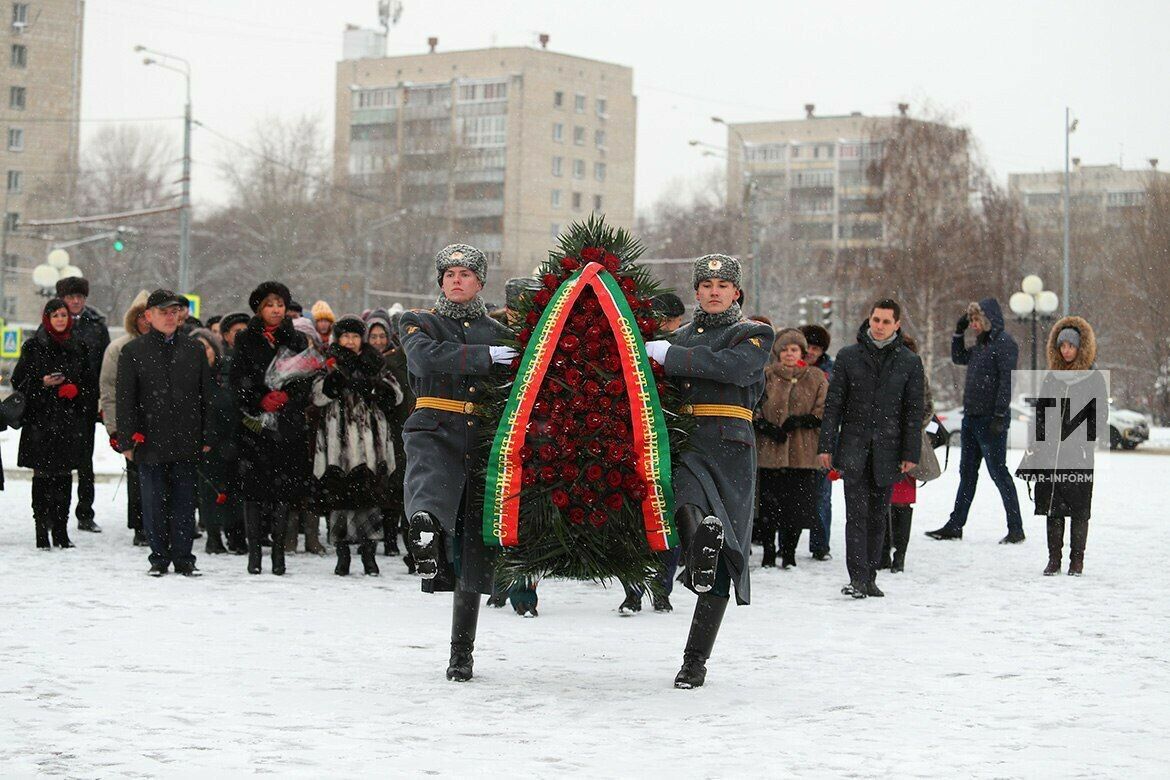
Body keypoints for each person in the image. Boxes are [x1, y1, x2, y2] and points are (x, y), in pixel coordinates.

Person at [643, 253, 774, 688]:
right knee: (687, 499)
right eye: (706, 285)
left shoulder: (753, 334)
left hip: (732, 445)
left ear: (736, 292)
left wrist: (672, 356)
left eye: (723, 285)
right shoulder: (678, 336)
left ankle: (694, 661)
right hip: (686, 439)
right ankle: (700, 540)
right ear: (696, 292)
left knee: (725, 553)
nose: (714, 291)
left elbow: (735, 369)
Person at [400, 243, 516, 682]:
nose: (456, 279)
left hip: (483, 437)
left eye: (465, 274)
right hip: (434, 423)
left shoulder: (500, 331)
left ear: (480, 283)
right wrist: (482, 359)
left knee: (473, 550)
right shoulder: (418, 322)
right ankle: (425, 534)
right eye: (448, 273)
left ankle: (461, 653)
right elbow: (424, 357)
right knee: (429, 485)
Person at [818, 299, 923, 600]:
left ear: (897, 325)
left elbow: (913, 412)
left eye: (886, 321)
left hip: (889, 450)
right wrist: (827, 446)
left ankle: (871, 576)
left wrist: (910, 453)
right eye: (876, 320)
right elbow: (833, 406)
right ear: (870, 320)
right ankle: (857, 578)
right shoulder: (849, 357)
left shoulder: (908, 361)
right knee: (856, 515)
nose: (879, 326)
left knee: (879, 516)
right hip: (854, 447)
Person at [116, 290, 213, 576]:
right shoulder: (133, 352)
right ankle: (159, 558)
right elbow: (125, 399)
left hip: (186, 438)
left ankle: (184, 558)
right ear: (148, 316)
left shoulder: (194, 349)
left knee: (185, 503)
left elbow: (206, 395)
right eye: (163, 312)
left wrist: (207, 435)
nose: (170, 317)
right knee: (154, 502)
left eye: (174, 312)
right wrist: (127, 439)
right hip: (150, 440)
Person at [229, 281, 313, 576]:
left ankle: (278, 554)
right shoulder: (245, 339)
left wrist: (287, 397)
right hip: (255, 427)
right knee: (253, 493)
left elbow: (306, 379)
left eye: (280, 304)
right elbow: (237, 378)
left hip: (286, 427)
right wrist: (259, 398)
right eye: (269, 304)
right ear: (259, 308)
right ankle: (254, 554)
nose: (276, 310)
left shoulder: (297, 340)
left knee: (282, 493)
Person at [310, 316, 404, 576]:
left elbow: (396, 394)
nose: (350, 341)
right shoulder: (329, 362)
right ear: (337, 338)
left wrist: (374, 387)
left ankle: (369, 555)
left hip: (369, 441)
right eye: (345, 336)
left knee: (369, 500)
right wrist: (334, 383)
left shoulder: (375, 361)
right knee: (339, 501)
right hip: (338, 442)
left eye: (354, 336)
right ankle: (342, 556)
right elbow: (316, 395)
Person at [926, 298, 1024, 544]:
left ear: (990, 319)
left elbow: (1006, 382)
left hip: (991, 420)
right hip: (971, 418)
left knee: (998, 473)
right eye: (971, 320)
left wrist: (1000, 415)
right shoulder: (981, 346)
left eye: (977, 320)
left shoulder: (1004, 344)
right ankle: (955, 525)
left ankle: (1016, 529)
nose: (974, 325)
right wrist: (958, 332)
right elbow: (959, 358)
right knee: (967, 474)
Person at [1017, 317, 1107, 576]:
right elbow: (1041, 414)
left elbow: (1100, 415)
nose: (1066, 350)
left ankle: (1076, 560)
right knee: (1052, 507)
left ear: (1081, 347)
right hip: (1050, 453)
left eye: (1071, 345)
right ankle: (1053, 558)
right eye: (1062, 345)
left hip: (1078, 454)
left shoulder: (1093, 378)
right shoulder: (1052, 378)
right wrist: (1038, 441)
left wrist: (1084, 441)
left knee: (1079, 508)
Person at [11, 298, 96, 549]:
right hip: (41, 422)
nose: (59, 319)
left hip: (69, 423)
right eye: (54, 315)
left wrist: (75, 390)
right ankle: (41, 529)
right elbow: (19, 383)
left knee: (64, 478)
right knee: (42, 477)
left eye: (63, 314)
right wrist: (42, 384)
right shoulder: (34, 347)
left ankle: (61, 530)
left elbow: (90, 385)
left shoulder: (78, 347)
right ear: (47, 318)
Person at [754, 327, 828, 569]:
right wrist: (765, 425)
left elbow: (823, 410)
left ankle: (789, 552)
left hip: (802, 454)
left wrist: (801, 421)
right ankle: (768, 550)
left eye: (794, 349)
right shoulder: (765, 375)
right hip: (769, 453)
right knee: (769, 508)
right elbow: (752, 406)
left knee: (795, 508)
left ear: (802, 352)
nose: (788, 354)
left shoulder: (815, 377)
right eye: (784, 349)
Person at [877, 334, 939, 573]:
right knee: (881, 502)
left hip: (905, 446)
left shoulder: (916, 374)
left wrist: (909, 430)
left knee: (901, 503)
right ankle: (882, 552)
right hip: (882, 444)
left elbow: (926, 407)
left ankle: (899, 553)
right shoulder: (880, 372)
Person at [55, 276, 109, 534]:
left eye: (80, 297)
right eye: (70, 297)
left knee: (85, 461)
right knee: (57, 459)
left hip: (86, 401)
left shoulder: (97, 325)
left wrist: (98, 397)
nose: (76, 301)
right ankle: (56, 511)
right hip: (57, 402)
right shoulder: (54, 323)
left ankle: (85, 512)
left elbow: (105, 365)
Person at [99, 290, 151, 546]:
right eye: (140, 316)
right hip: (132, 422)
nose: (145, 321)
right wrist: (114, 429)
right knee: (136, 477)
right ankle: (140, 525)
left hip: (161, 422)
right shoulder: (119, 348)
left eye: (149, 315)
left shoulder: (167, 346)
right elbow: (108, 390)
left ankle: (157, 524)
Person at [189, 328, 246, 555]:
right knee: (209, 493)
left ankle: (236, 536)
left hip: (232, 440)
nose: (203, 353)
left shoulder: (227, 374)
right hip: (204, 444)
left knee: (234, 491)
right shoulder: (187, 379)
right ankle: (214, 537)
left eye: (207, 347)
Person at [364, 308, 414, 563]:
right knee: (394, 488)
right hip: (394, 431)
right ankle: (392, 539)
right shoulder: (391, 362)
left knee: (412, 492)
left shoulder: (426, 359)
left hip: (418, 432)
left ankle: (412, 548)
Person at [800, 324, 835, 561]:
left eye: (816, 348)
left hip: (821, 439)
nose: (811, 352)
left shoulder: (829, 373)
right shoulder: (788, 368)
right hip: (795, 439)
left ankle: (820, 544)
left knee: (822, 495)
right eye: (808, 347)